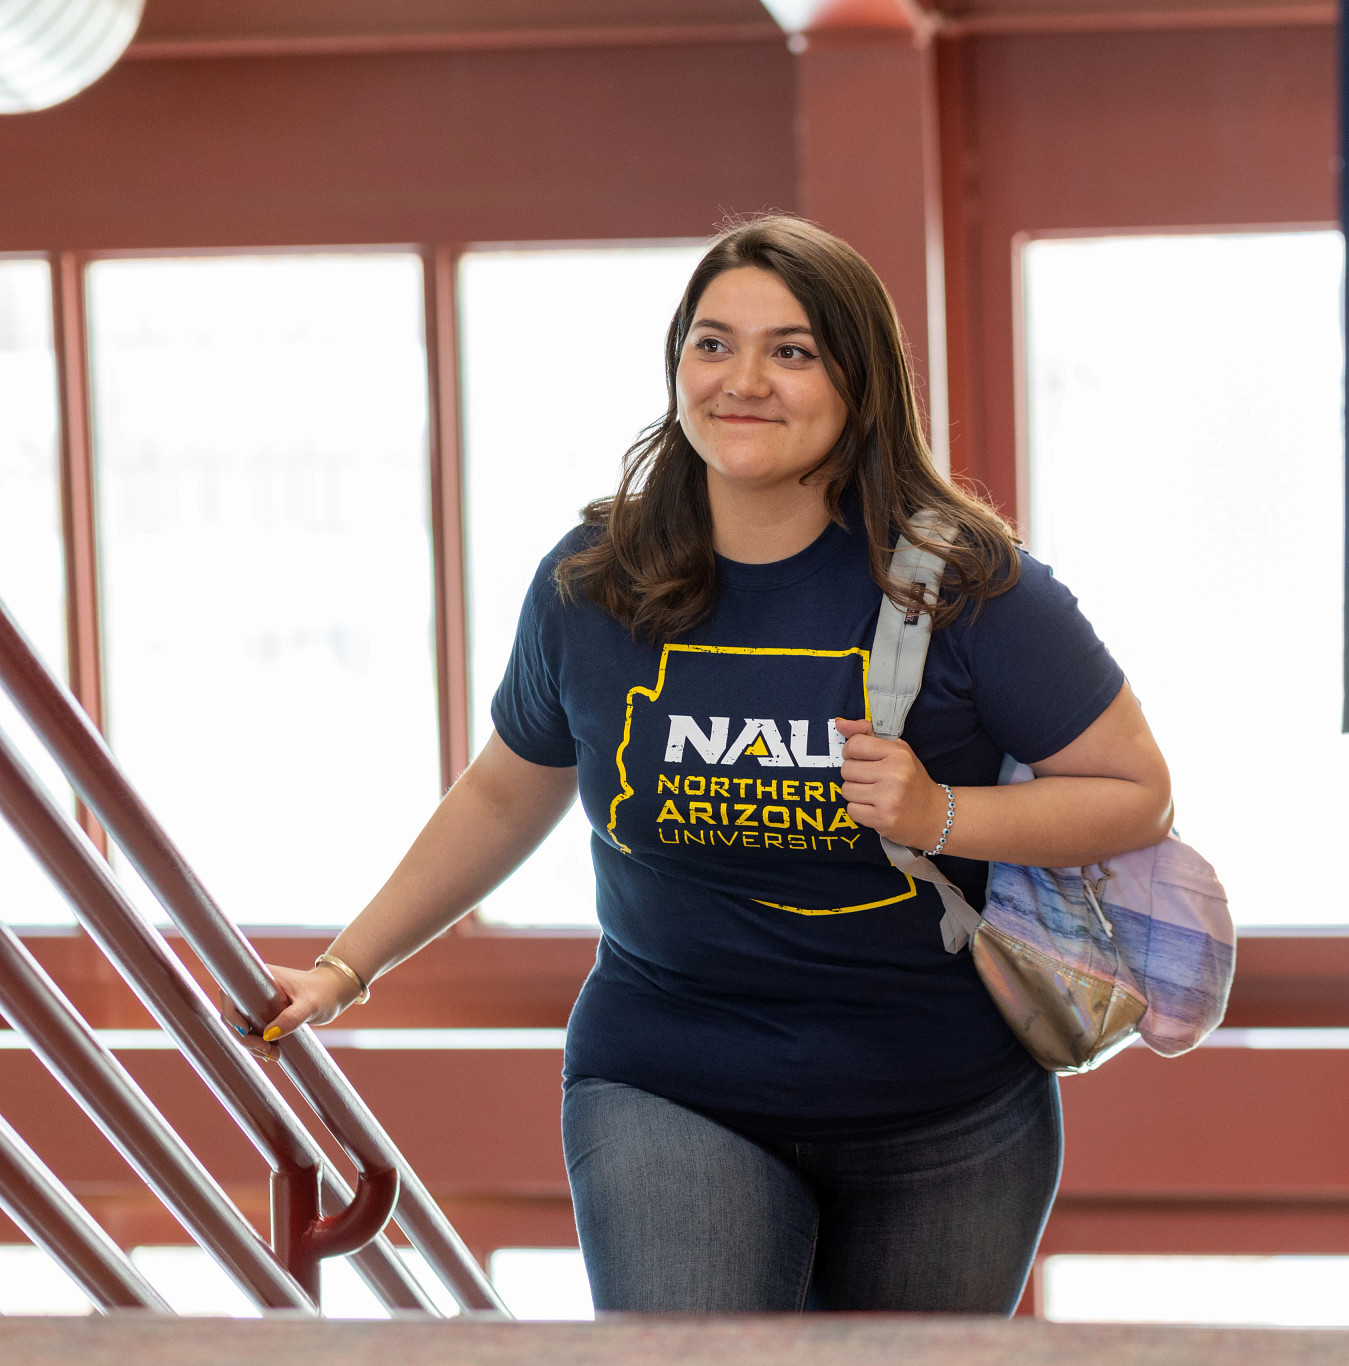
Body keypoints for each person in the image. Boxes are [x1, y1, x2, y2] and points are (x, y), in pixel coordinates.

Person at [235, 215, 1173, 1314]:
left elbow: (1136, 795)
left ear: (860, 380)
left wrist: (940, 813)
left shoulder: (971, 587)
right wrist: (344, 969)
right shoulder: (596, 580)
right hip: (670, 1085)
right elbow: (504, 790)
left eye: (792, 350)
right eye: (713, 344)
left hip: (944, 1115)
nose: (744, 381)